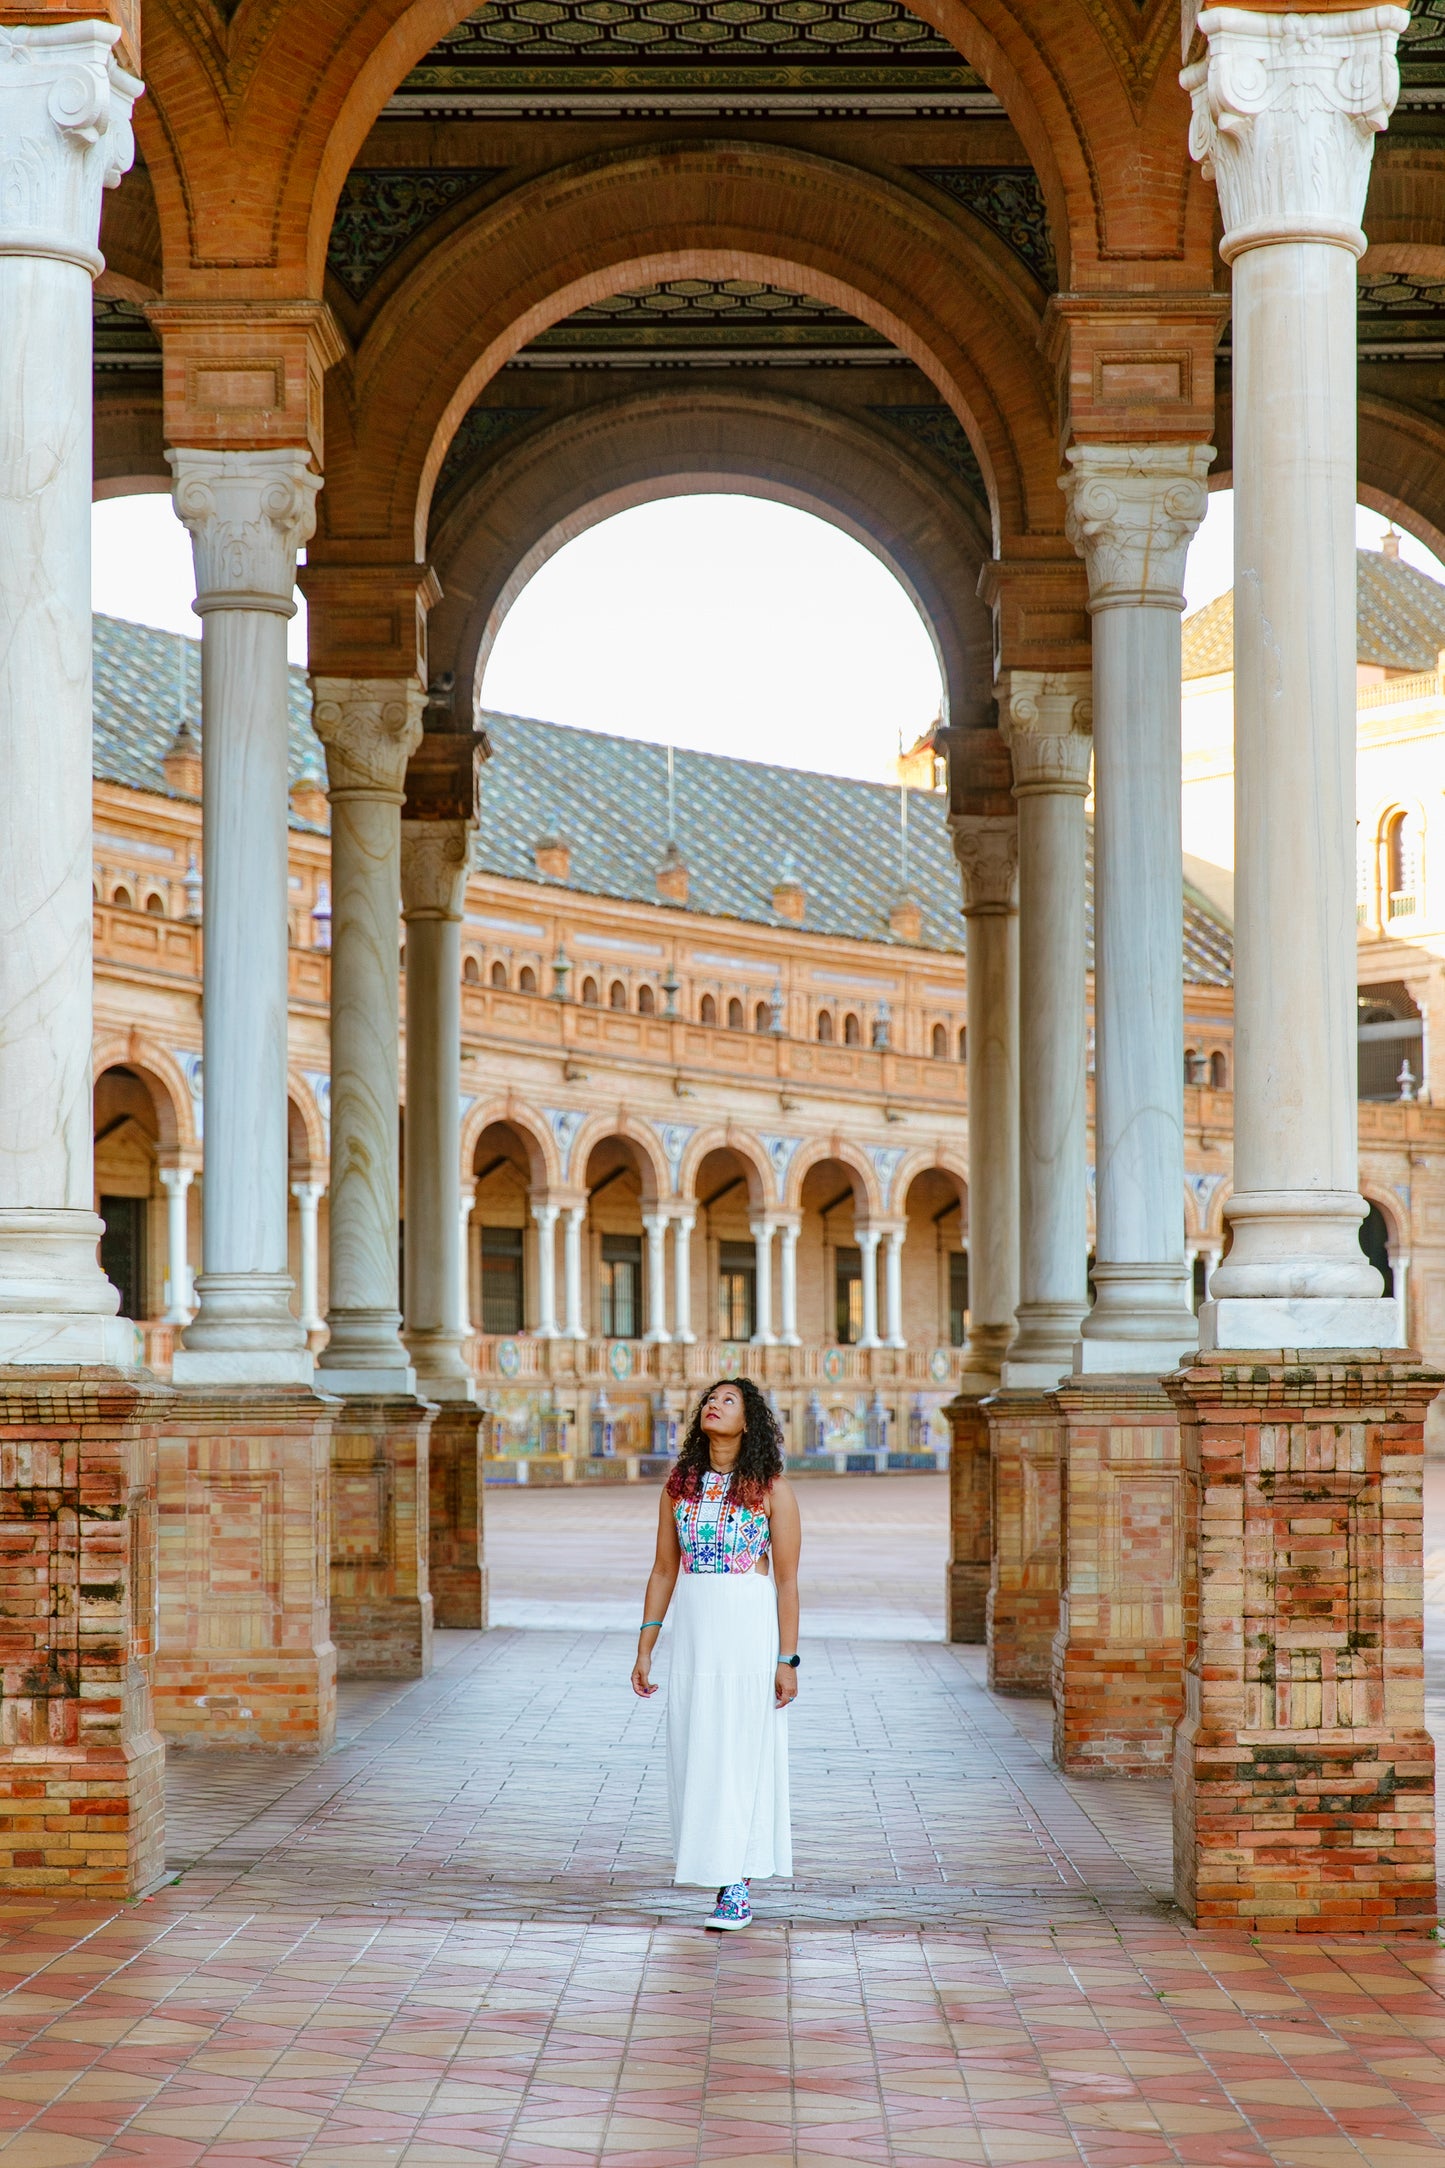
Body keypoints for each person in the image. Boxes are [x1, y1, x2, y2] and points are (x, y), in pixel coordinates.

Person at [631, 1377, 800, 1930]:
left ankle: (738, 1882)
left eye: (728, 1400)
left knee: (742, 1750)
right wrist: (646, 1646)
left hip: (748, 1633)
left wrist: (787, 1659)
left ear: (749, 1421)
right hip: (697, 1634)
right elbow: (662, 1569)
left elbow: (788, 1584)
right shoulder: (678, 1486)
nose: (714, 1405)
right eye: (710, 1399)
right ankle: (713, 1861)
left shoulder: (771, 1488)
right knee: (699, 1746)